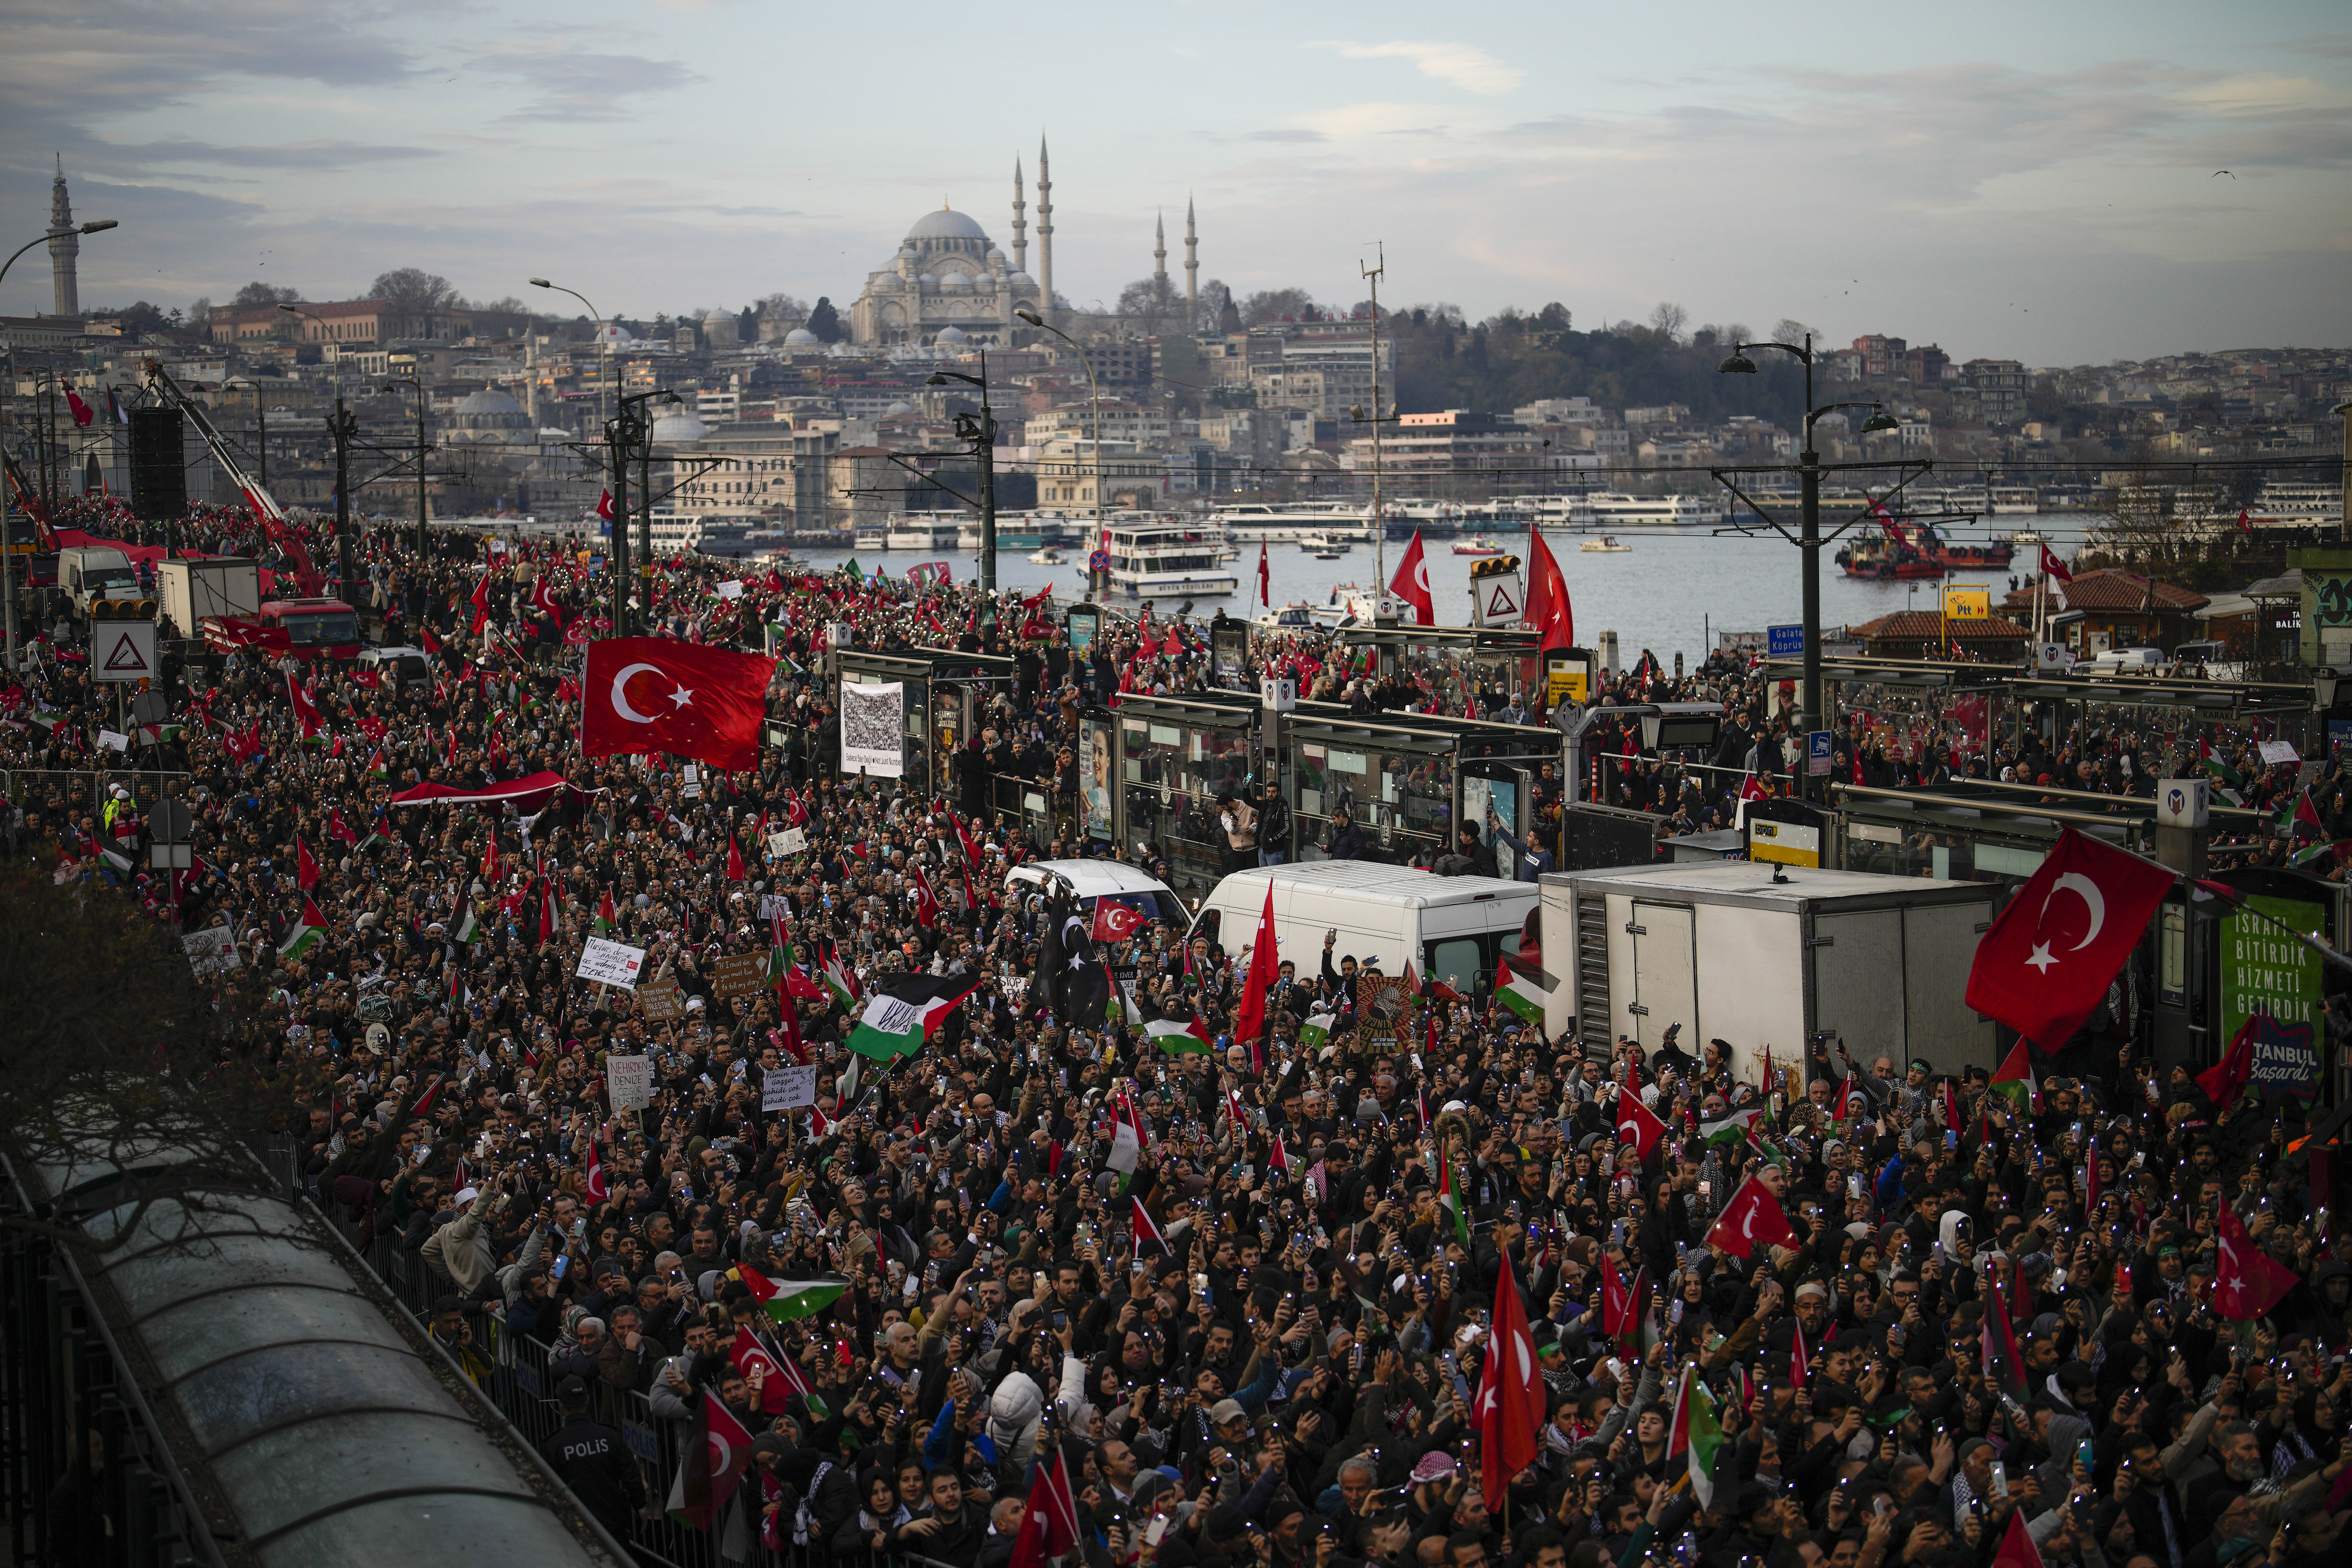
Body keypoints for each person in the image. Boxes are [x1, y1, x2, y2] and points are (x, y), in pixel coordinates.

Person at [540, 1375, 645, 1542]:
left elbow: (546, 1490)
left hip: (573, 1527)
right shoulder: (609, 1436)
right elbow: (631, 1476)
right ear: (588, 1400)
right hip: (614, 1523)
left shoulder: (553, 1445)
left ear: (560, 1404)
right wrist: (642, 1509)